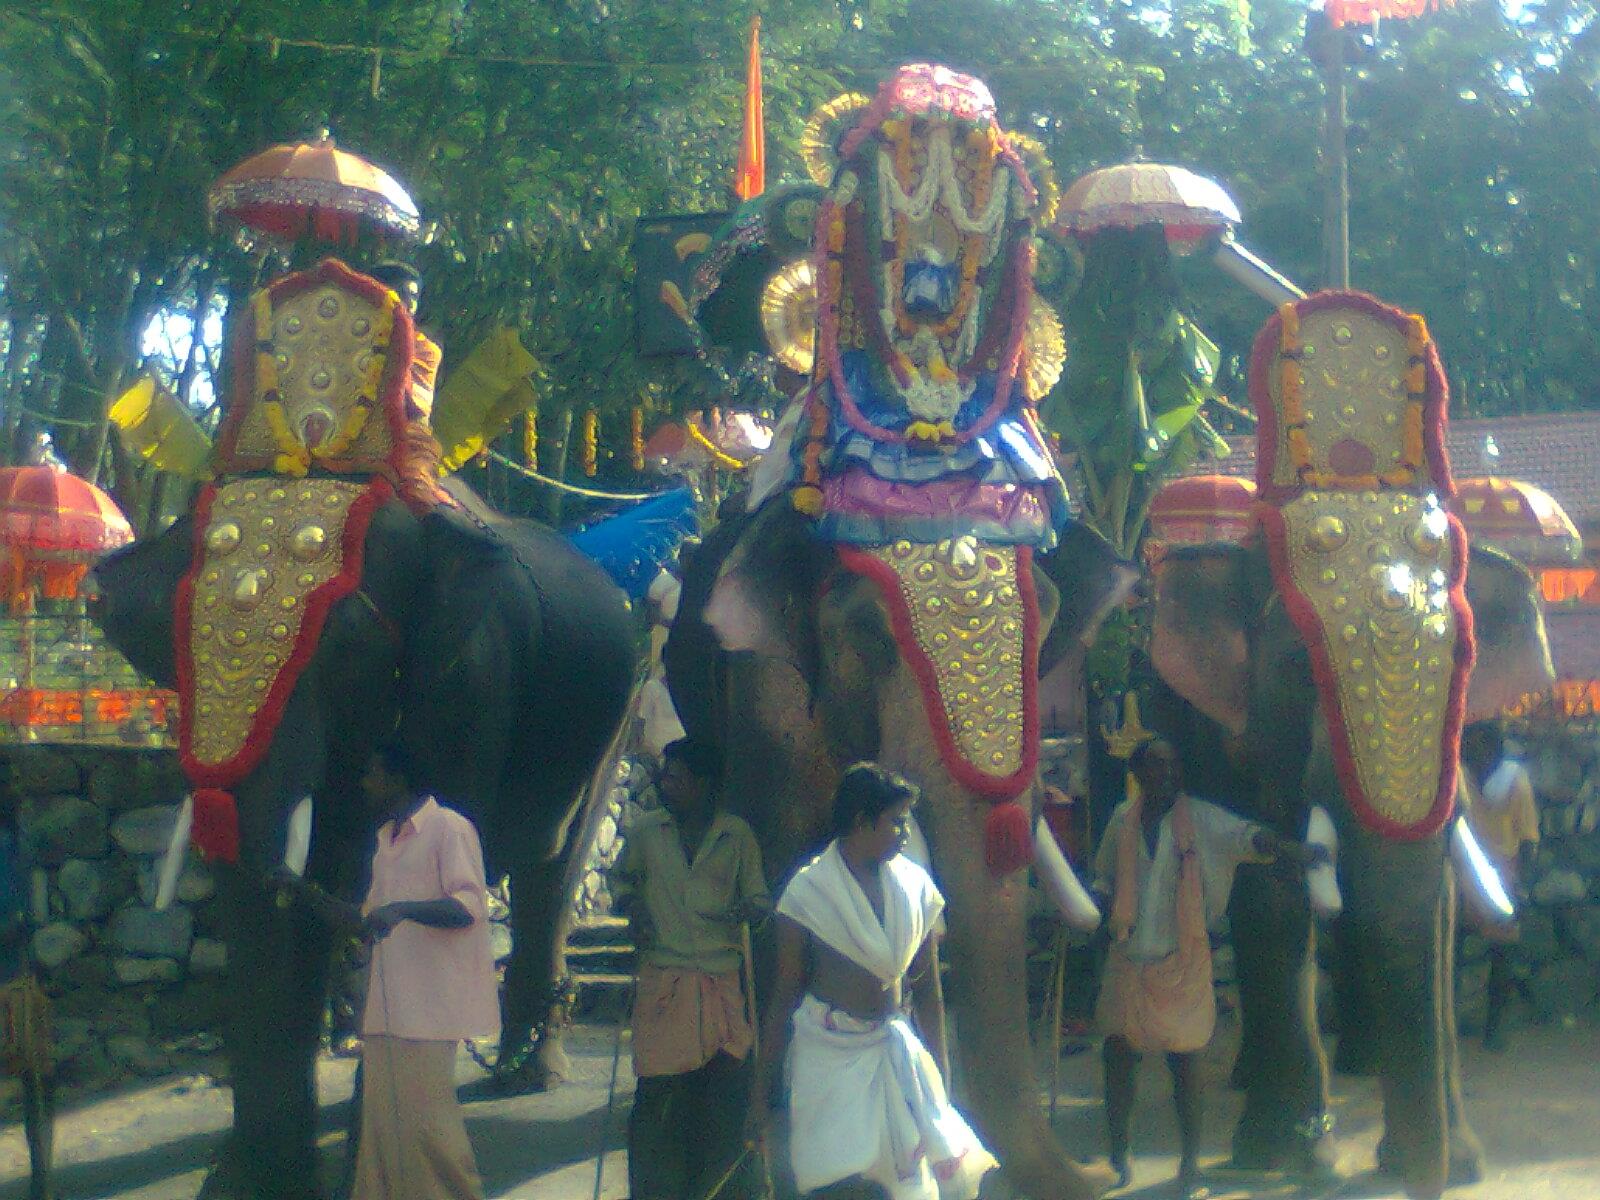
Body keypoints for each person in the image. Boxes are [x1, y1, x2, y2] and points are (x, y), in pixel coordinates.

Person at [1093, 737, 1327, 1200]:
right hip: (1128, 959)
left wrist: (1289, 850)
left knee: (1187, 1066)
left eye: (1173, 765)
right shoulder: (1122, 820)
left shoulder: (1199, 819)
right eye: (1157, 765)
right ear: (1138, 772)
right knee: (1118, 1060)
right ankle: (1119, 1156)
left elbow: (1245, 838)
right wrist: (1092, 904)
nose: (1167, 774)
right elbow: (1104, 875)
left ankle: (1190, 1165)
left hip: (1184, 962)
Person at [750, 763, 994, 1200]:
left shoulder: (916, 886)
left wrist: (940, 1075)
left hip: (894, 1050)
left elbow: (928, 992)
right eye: (897, 822)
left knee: (902, 1185)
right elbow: (785, 992)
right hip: (828, 1056)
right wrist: (760, 1092)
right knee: (835, 1181)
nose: (904, 833)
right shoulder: (808, 892)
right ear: (862, 822)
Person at [611, 738, 769, 1200]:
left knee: (720, 1102)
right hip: (665, 982)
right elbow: (621, 880)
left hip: (721, 986)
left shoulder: (736, 836)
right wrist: (632, 907)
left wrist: (748, 911)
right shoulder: (646, 832)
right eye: (665, 776)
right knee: (659, 1102)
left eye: (677, 778)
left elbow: (760, 900)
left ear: (704, 785)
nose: (666, 785)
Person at [350, 744, 499, 1200]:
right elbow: (372, 919)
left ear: (398, 780)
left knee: (430, 1132)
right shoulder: (383, 840)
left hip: (430, 1010)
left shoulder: (449, 828)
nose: (365, 784)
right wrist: (305, 896)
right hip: (387, 1009)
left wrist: (404, 910)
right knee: (382, 1135)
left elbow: (468, 907)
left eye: (373, 773)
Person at [1459, 721, 1539, 1051]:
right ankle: (1450, 1024)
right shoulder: (1460, 775)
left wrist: (1524, 883)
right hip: (1463, 875)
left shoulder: (1514, 780)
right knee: (1452, 952)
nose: (1474, 751)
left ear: (1494, 748)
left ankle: (1495, 1028)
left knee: (1501, 956)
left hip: (1502, 877)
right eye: (1469, 744)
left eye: (1480, 744)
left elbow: (1529, 835)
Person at [366, 261, 453, 511]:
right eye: (401, 294)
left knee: (418, 496)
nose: (409, 303)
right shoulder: (346, 336)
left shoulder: (425, 350)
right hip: (340, 431)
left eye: (413, 296)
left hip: (405, 437)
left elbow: (414, 406)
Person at [1, 794, 52, 1200]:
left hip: (15, 974)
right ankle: (41, 1182)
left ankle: (42, 1182)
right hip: (16, 971)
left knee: (34, 1079)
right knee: (34, 1082)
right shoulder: (15, 838)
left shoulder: (14, 839)